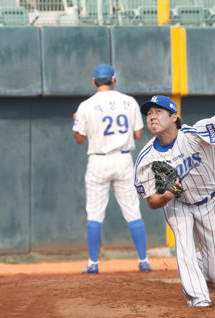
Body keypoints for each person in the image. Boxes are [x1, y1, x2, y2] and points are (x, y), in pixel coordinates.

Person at [134, 95, 215, 307]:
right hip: (178, 204)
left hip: (209, 200)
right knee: (184, 245)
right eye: (148, 114)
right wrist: (166, 196)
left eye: (158, 112)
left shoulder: (194, 134)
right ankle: (198, 298)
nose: (151, 117)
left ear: (174, 117)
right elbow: (151, 201)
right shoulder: (147, 158)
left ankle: (205, 266)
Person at [72, 64, 152, 274]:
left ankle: (93, 263)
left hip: (98, 160)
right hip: (123, 159)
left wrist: (76, 123)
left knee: (95, 213)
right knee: (132, 210)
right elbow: (137, 135)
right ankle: (143, 260)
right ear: (113, 80)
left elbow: (79, 139)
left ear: (93, 82)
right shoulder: (129, 101)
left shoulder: (86, 105)